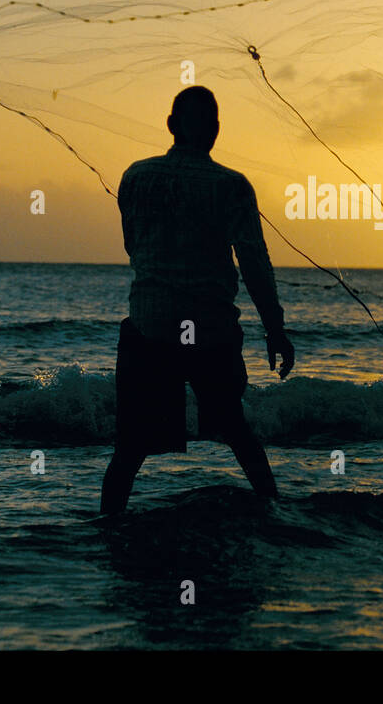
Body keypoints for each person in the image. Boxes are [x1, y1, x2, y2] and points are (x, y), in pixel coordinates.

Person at [101, 86, 295, 514]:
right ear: (216, 131)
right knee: (236, 431)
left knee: (130, 449)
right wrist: (275, 329)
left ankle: (109, 526)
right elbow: (254, 263)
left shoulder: (135, 177)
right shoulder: (232, 186)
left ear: (171, 126)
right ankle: (273, 513)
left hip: (149, 331)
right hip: (210, 333)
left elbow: (134, 247)